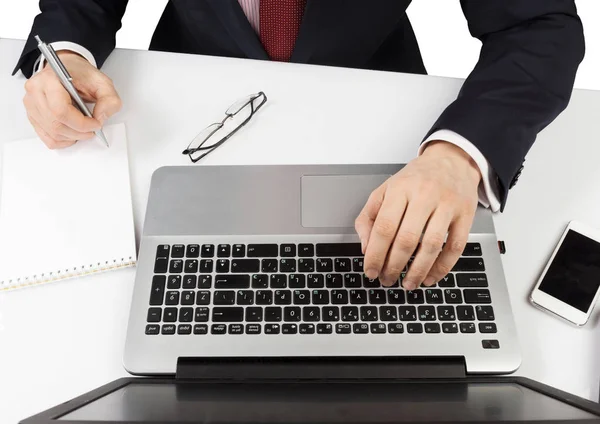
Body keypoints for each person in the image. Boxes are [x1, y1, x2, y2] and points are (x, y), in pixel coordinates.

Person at [14, 0, 584, 290]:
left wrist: (460, 155)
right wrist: (67, 50)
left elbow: (538, 24)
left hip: (375, 103)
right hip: (187, 102)